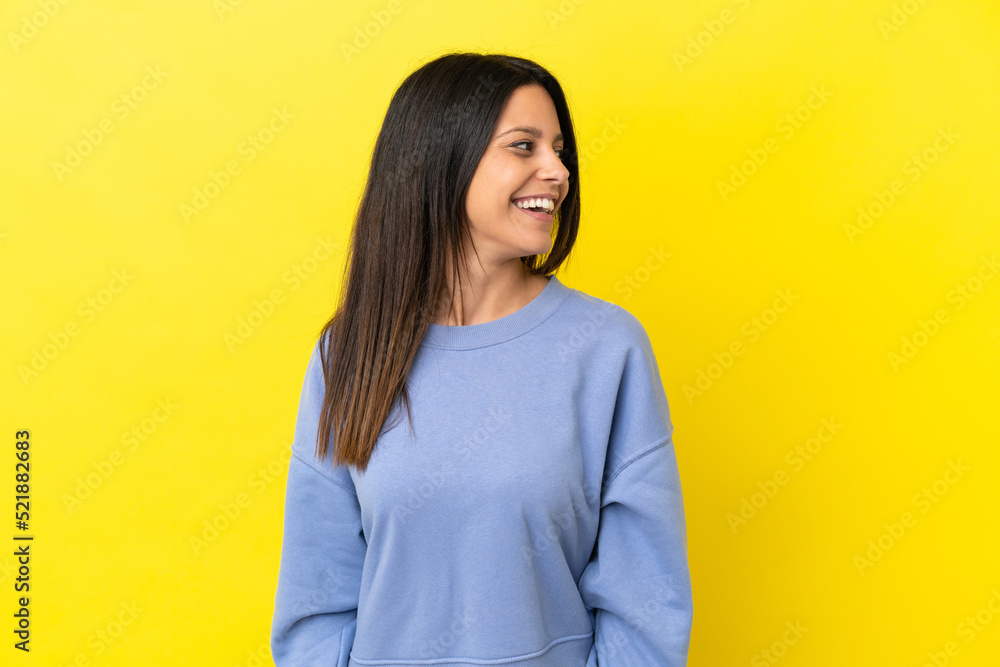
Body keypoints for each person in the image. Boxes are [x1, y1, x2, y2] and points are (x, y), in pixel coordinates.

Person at [270, 51, 693, 666]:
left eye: (559, 150)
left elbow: (645, 611)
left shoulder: (607, 350)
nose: (558, 171)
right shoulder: (351, 351)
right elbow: (315, 604)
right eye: (524, 146)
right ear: (440, 161)